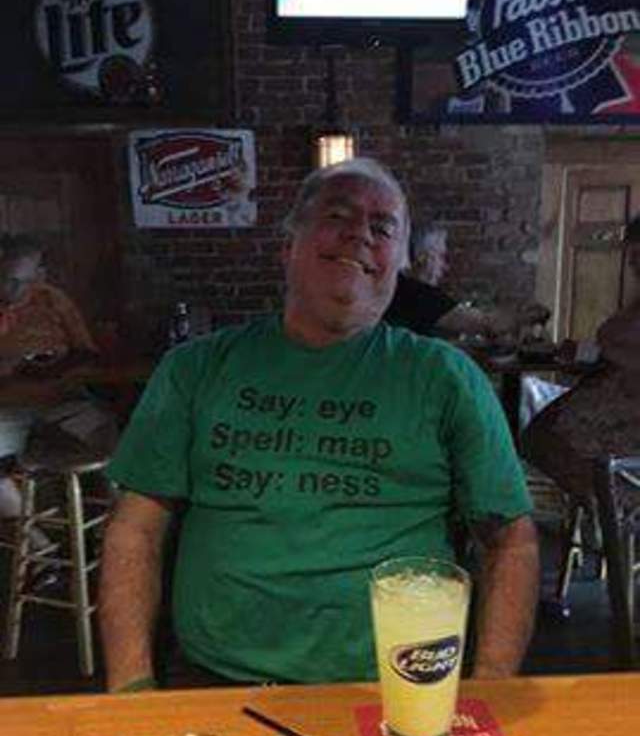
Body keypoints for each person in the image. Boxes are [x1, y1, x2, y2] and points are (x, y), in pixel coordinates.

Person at [99, 157, 539, 693]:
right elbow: (136, 528)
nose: (361, 234)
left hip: (401, 685)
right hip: (214, 681)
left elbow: (511, 541)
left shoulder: (447, 376)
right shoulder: (194, 368)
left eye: (383, 227)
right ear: (289, 246)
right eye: (338, 216)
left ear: (400, 263)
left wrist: (492, 683)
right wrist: (131, 687)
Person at [0, 234, 118, 579]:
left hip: (63, 401)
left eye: (22, 281)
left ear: (40, 276)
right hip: (9, 410)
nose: (12, 289)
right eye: (7, 280)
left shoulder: (53, 300)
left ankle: (109, 540)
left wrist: (54, 365)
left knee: (112, 441)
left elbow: (86, 352)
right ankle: (42, 554)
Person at [522, 214, 640, 502]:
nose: (632, 263)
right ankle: (601, 509)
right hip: (609, 401)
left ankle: (612, 507)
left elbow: (619, 343)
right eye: (631, 255)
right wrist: (582, 353)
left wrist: (603, 352)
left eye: (638, 255)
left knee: (544, 438)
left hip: (628, 420)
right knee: (537, 433)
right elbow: (612, 347)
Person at [384, 223, 456, 335]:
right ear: (421, 257)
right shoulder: (410, 292)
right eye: (441, 257)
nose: (445, 267)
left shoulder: (395, 286)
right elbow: (479, 322)